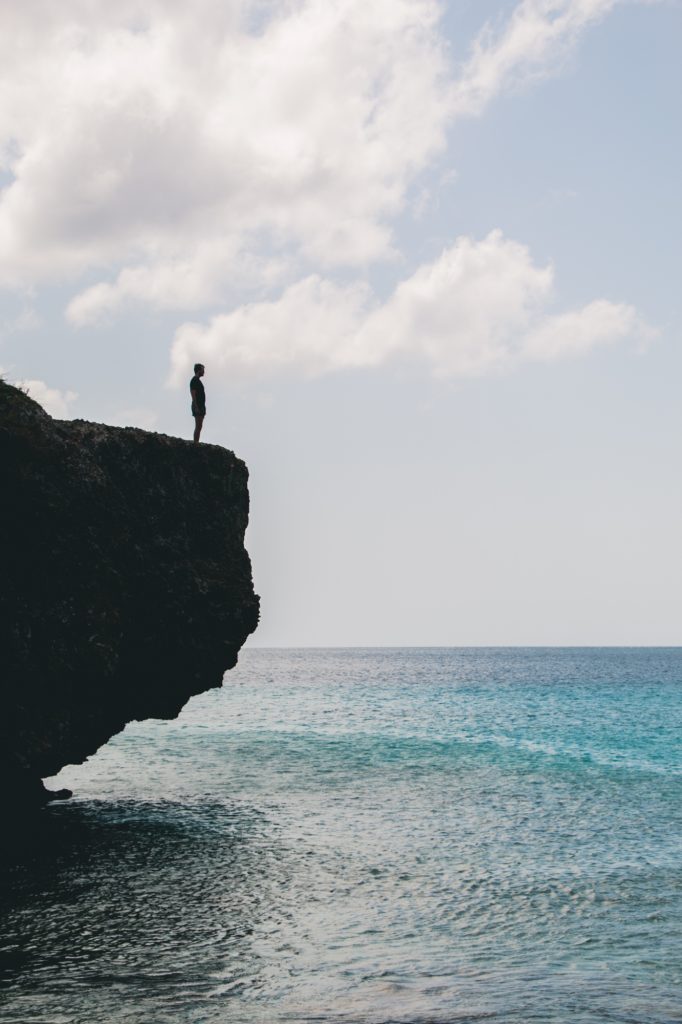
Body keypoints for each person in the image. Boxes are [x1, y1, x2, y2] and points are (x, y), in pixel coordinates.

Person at [190, 363, 206, 443]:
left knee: (200, 426)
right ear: (199, 370)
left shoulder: (198, 381)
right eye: (203, 370)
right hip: (198, 405)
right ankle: (195, 443)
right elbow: (193, 393)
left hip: (201, 405)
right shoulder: (194, 380)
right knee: (198, 425)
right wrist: (196, 406)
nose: (204, 372)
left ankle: (196, 442)